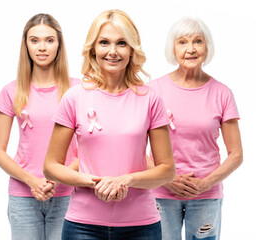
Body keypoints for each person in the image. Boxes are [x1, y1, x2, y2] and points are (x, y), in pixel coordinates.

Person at [43, 9, 175, 240]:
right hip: (82, 226)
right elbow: (51, 166)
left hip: (141, 226)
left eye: (121, 43)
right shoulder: (74, 98)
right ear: (93, 48)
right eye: (104, 42)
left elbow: (167, 170)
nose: (112, 51)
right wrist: (94, 182)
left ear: (132, 49)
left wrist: (127, 180)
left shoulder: (150, 99)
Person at [148, 16, 243, 240]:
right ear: (173, 48)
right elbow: (134, 147)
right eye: (182, 42)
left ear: (206, 47)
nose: (190, 49)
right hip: (161, 193)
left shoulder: (222, 93)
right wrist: (166, 179)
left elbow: (236, 154)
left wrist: (204, 184)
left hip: (206, 195)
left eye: (198, 41)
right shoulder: (153, 90)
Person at [0, 13, 79, 240]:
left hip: (68, 194)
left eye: (49, 40)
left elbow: (90, 147)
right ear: (26, 45)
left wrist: (58, 177)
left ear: (59, 45)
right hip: (23, 196)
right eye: (35, 40)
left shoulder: (77, 90)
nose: (42, 47)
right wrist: (32, 181)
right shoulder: (11, 91)